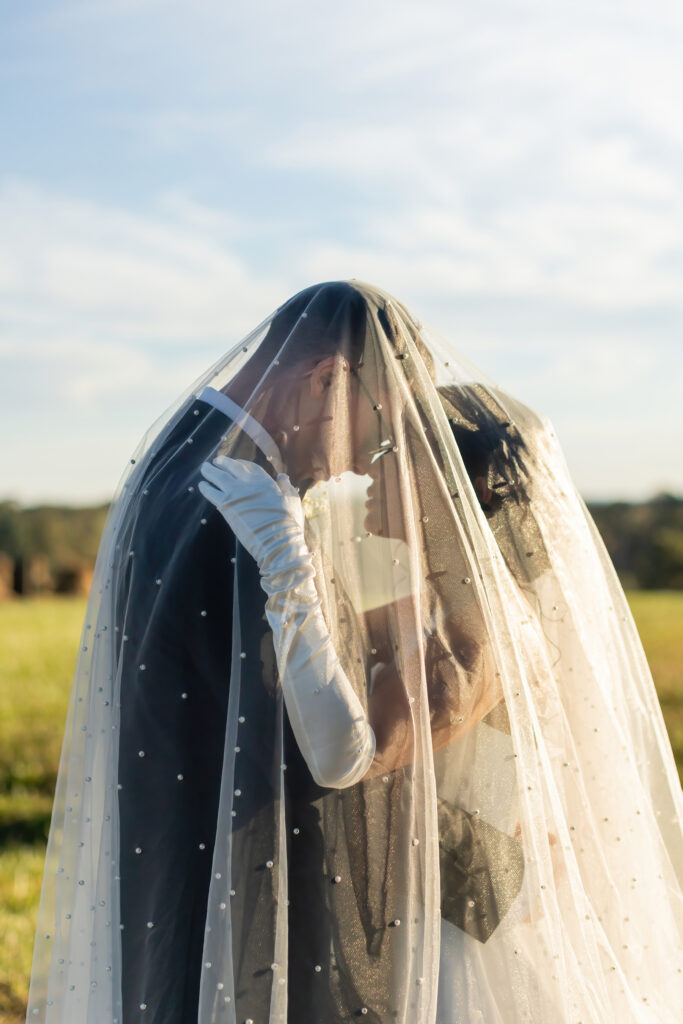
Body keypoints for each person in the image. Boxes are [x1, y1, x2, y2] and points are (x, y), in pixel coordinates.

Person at [26, 281, 683, 1023]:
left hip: (444, 920)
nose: (365, 470)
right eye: (379, 443)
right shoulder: (429, 607)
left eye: (394, 454)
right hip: (394, 901)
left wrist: (287, 563)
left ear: (454, 496)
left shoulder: (486, 638)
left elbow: (354, 759)